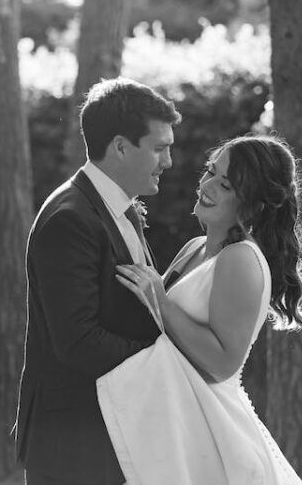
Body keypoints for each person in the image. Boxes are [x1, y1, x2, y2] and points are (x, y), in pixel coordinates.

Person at [102, 135, 302, 484]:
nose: (207, 185)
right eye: (211, 171)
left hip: (212, 431)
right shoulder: (195, 248)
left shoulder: (240, 259)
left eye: (225, 185)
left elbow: (222, 363)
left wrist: (161, 302)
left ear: (255, 205)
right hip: (178, 422)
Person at [14, 77, 182, 485]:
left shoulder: (116, 207)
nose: (168, 162)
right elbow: (78, 340)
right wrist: (165, 362)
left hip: (109, 435)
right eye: (159, 148)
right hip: (74, 446)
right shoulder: (70, 219)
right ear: (121, 147)